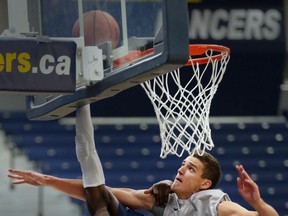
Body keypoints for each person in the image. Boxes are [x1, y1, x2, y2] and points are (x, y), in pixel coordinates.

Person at [8, 105, 279, 216]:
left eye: (191, 168)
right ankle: (84, 100)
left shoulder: (215, 205)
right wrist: (46, 180)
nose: (182, 168)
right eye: (184, 163)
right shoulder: (161, 199)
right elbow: (100, 192)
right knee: (98, 193)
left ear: (205, 183)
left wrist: (257, 202)